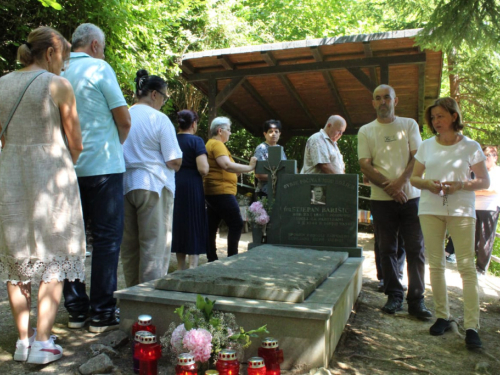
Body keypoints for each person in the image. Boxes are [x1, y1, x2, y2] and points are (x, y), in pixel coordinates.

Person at [0, 27, 85, 364]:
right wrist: (62, 163)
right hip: (52, 178)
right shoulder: (58, 85)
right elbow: (75, 142)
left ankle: (23, 342)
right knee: (53, 257)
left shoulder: (2, 83)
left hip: (10, 176)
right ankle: (43, 342)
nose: (63, 64)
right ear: (50, 52)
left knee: (16, 260)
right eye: (62, 56)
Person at [62, 23, 131, 333]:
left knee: (70, 242)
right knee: (106, 240)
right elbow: (124, 119)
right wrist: (112, 146)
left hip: (64, 170)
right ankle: (102, 312)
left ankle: (76, 310)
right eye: (101, 47)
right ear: (93, 45)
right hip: (103, 168)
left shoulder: (57, 71)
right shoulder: (100, 68)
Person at [410, 97, 489, 349]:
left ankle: (471, 327)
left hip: (462, 210)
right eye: (433, 118)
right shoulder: (426, 146)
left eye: (440, 116)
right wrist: (429, 184)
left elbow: (484, 182)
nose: (436, 122)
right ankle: (443, 316)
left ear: (454, 116)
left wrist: (461, 185)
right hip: (430, 209)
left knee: (466, 268)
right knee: (436, 264)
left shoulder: (471, 146)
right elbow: (414, 178)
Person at [358, 84, 431, 319]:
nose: (382, 102)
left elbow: (417, 157)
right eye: (377, 98)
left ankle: (416, 300)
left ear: (395, 101)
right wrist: (391, 188)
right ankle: (394, 295)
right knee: (386, 248)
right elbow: (365, 164)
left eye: (386, 98)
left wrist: (400, 184)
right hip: (381, 200)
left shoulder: (409, 124)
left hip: (411, 197)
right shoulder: (366, 130)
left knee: (415, 248)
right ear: (372, 103)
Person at [121, 70, 182, 285]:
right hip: (154, 184)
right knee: (154, 246)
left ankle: (131, 296)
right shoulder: (159, 119)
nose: (164, 102)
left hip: (125, 184)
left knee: (130, 247)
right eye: (165, 97)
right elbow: (173, 160)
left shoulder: (123, 115)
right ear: (154, 94)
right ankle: (148, 300)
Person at [204, 117, 257, 262]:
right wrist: (250, 167)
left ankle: (212, 258)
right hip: (221, 191)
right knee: (236, 223)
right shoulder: (217, 144)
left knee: (212, 226)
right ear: (220, 131)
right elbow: (226, 165)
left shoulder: (212, 144)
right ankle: (232, 258)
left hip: (213, 191)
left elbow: (227, 167)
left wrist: (237, 170)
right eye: (229, 130)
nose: (230, 133)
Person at [171, 110, 208, 270]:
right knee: (193, 221)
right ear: (193, 124)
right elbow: (203, 168)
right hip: (192, 184)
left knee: (179, 221)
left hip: (174, 181)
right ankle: (193, 265)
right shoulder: (196, 141)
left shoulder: (171, 139)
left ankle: (180, 265)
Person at [474, 145, 500, 276]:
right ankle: (476, 265)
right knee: (475, 239)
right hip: (476, 208)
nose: (484, 159)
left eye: (487, 156)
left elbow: (493, 190)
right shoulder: (481, 173)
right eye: (482, 156)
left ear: (495, 157)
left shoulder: (497, 172)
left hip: (490, 208)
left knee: (486, 239)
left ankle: (481, 268)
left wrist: (477, 190)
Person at [254, 119, 287, 198]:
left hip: (280, 191)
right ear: (265, 134)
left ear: (280, 134)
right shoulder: (261, 148)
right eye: (270, 131)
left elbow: (286, 168)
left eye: (276, 131)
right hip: (265, 192)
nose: (274, 134)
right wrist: (278, 177)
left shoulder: (280, 149)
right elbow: (258, 174)